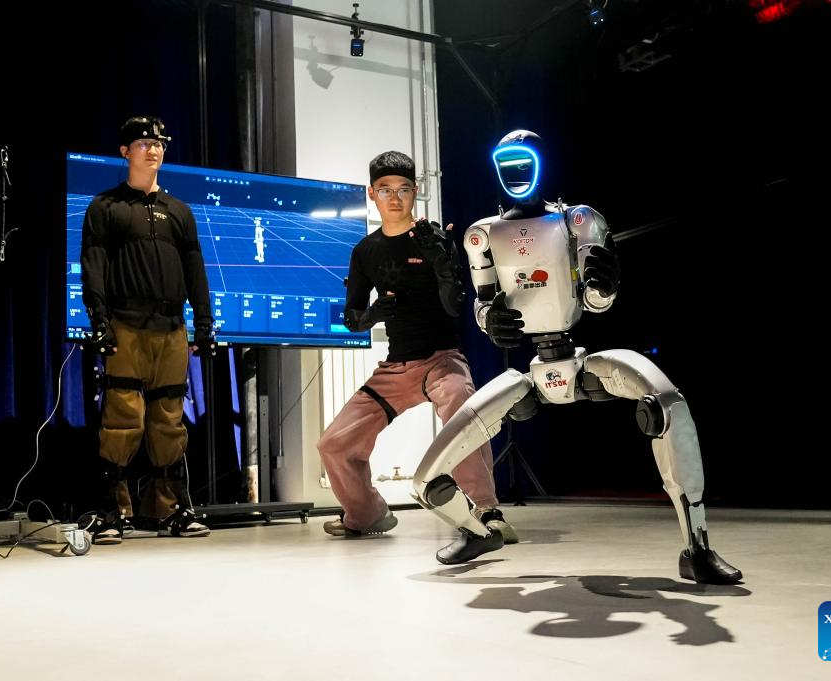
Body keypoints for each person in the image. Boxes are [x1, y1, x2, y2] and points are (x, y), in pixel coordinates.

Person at [411, 130, 742, 582]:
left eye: (523, 161)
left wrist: (604, 284)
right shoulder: (482, 235)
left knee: (668, 405)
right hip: (529, 376)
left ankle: (697, 547)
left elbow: (595, 299)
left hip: (583, 364)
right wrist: (491, 320)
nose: (516, 172)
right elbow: (484, 303)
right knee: (425, 480)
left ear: (540, 162)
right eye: (506, 163)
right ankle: (477, 530)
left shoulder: (576, 221)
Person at [317, 150, 517, 555]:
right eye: (385, 190)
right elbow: (352, 318)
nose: (395, 198)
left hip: (442, 360)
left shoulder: (433, 239)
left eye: (403, 189)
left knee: (463, 408)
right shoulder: (365, 251)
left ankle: (486, 511)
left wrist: (443, 265)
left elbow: (454, 307)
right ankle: (365, 514)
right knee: (333, 443)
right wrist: (372, 314)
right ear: (372, 194)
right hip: (395, 369)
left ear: (416, 190)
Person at [80, 116, 218, 544]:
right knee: (123, 419)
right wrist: (99, 320)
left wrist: (204, 323)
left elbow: (195, 270)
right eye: (143, 143)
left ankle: (171, 509)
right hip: (125, 325)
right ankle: (112, 512)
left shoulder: (179, 211)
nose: (153, 149)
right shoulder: (105, 207)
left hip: (172, 328)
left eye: (158, 143)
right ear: (125, 152)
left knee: (170, 421)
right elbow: (93, 266)